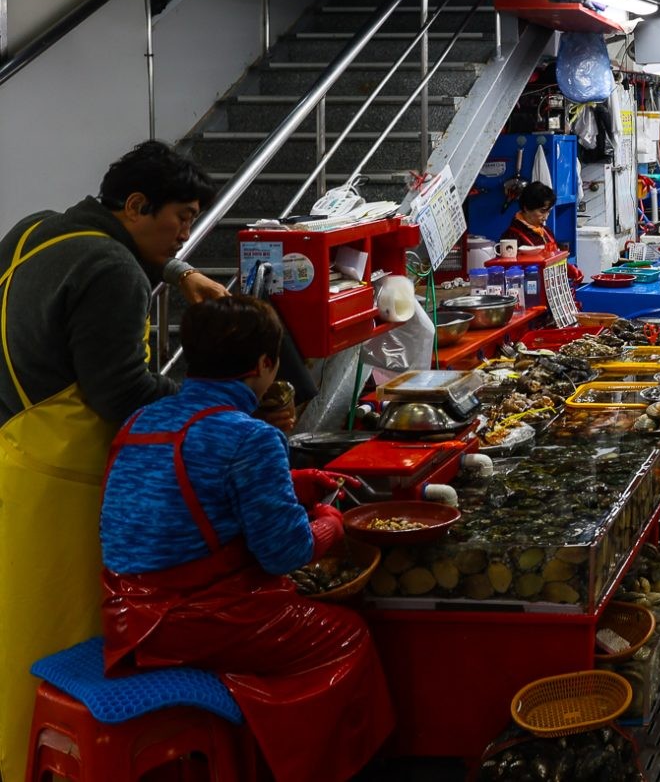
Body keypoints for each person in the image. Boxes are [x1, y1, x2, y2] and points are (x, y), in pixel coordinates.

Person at [0, 141, 225, 779]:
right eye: (180, 217)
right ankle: (50, 761)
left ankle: (16, 751)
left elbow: (100, 258)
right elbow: (121, 392)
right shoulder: (114, 272)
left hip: (15, 451)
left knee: (12, 622)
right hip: (63, 478)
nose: (185, 231)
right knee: (61, 639)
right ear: (134, 205)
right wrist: (215, 402)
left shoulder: (35, 229)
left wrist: (179, 272)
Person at [100, 296, 393, 782]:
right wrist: (330, 523)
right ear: (264, 364)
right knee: (347, 634)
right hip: (197, 621)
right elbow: (285, 553)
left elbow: (190, 499)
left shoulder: (142, 420)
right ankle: (320, 768)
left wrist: (293, 486)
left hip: (126, 616)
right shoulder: (249, 436)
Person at [503, 181, 560, 251]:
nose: (546, 217)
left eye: (549, 212)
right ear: (526, 208)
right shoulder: (511, 237)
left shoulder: (546, 231)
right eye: (542, 211)